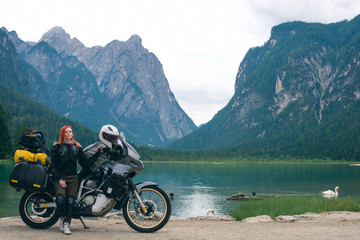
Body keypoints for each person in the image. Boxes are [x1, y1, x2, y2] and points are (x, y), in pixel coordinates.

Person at [50, 126, 96, 235]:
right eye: (66, 132)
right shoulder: (56, 147)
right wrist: (59, 179)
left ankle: (66, 224)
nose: (68, 133)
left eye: (70, 131)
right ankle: (61, 218)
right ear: (62, 134)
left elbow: (85, 163)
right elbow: (52, 166)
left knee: (71, 201)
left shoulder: (77, 147)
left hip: (73, 179)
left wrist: (98, 153)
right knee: (60, 200)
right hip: (60, 178)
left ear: (72, 134)